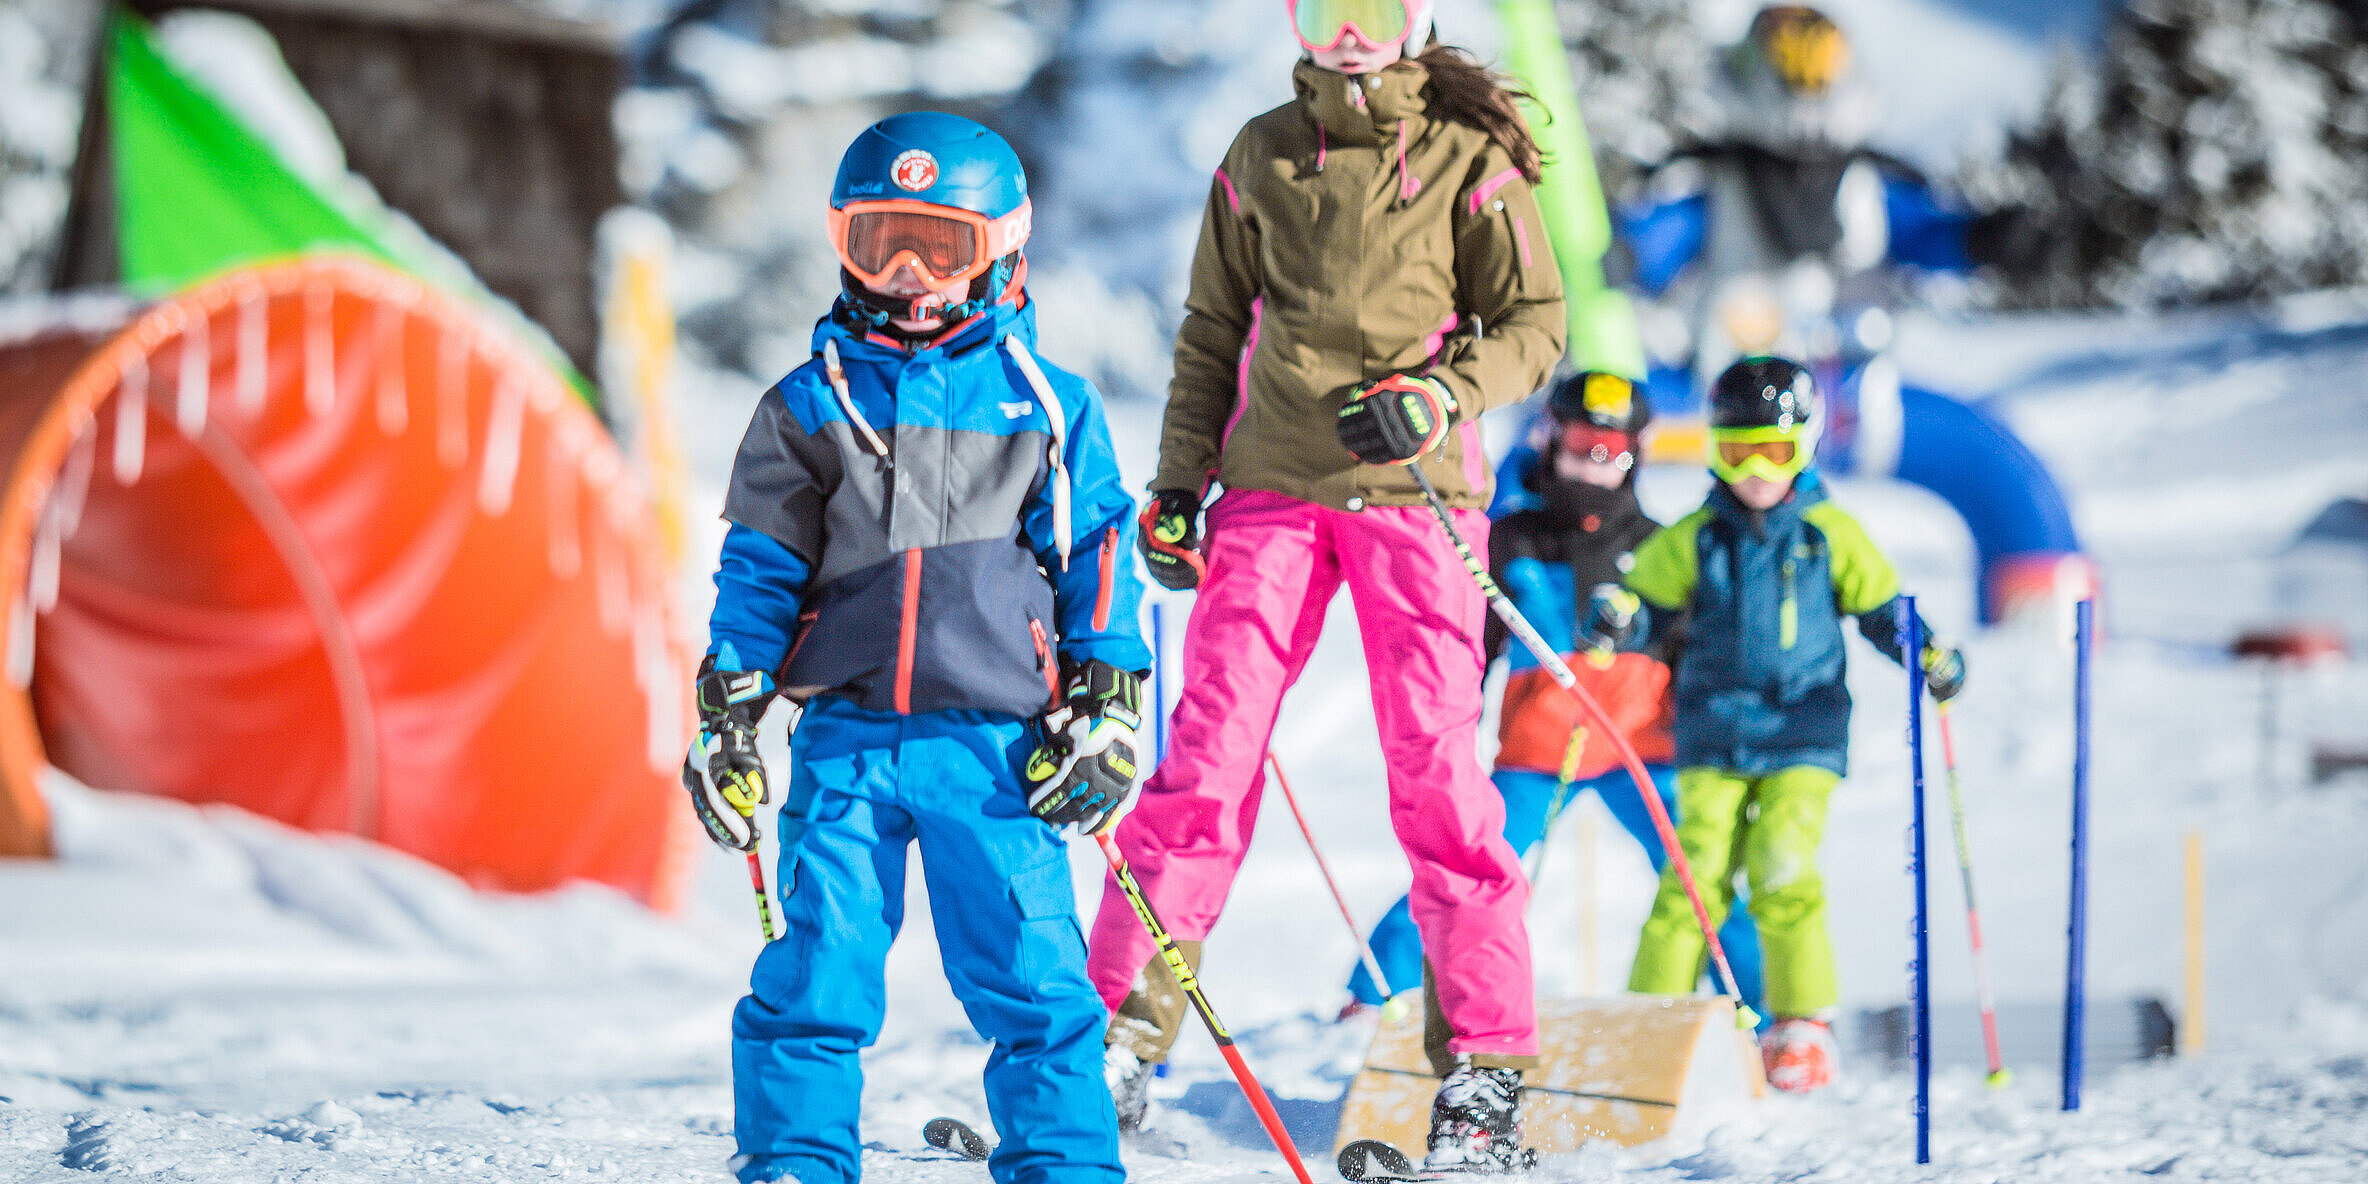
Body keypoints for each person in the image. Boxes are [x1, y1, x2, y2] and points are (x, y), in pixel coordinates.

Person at [1092, 0, 1566, 1171]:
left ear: (1415, 21)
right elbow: (1212, 329)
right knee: (1204, 757)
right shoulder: (1259, 153)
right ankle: (1107, 1041)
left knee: (1439, 776)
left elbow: (1533, 324)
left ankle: (1486, 1074)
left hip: (1415, 492)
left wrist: (1444, 395)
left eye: (1372, 9)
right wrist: (1175, 483)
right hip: (1271, 494)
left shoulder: (1471, 154)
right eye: (1322, 8)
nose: (1346, 32)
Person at [683, 112, 1153, 1184]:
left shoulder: (1044, 402)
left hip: (995, 748)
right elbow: (756, 571)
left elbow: (1098, 557)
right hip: (845, 736)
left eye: (939, 246)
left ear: (1001, 249)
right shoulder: (809, 402)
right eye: (878, 240)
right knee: (815, 968)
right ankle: (797, 1160)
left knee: (1034, 977)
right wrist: (730, 711)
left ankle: (1066, 1165)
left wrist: (1108, 699)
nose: (906, 273)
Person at [1583, 355, 1964, 1094]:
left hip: (1802, 732)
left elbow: (1887, 612)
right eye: (1735, 451)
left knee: (1783, 864)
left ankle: (1799, 1024)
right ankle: (1645, 1024)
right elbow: (1641, 599)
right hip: (1714, 732)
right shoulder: (1697, 536)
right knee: (1692, 875)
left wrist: (1928, 656)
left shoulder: (1829, 533)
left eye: (1775, 451)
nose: (1756, 470)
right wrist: (1618, 616)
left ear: (1807, 447)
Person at [1340, 372, 1764, 1022]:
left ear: (1634, 454)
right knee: (1468, 860)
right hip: (1538, 754)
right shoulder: (1510, 539)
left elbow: (1697, 653)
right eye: (1580, 443)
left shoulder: (1658, 542)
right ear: (1551, 440)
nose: (1594, 463)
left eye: (1611, 449)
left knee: (1697, 871)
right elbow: (1469, 650)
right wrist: (1451, 733)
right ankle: (1374, 995)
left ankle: (1767, 1011)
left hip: (1640, 750)